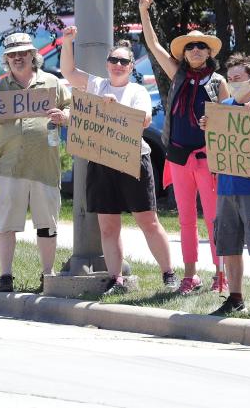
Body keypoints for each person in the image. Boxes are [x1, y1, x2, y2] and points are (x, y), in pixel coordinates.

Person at [59, 25, 178, 294]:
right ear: (107, 63)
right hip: (101, 162)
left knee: (148, 220)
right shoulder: (97, 85)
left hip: (133, 160)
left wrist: (116, 109)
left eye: (124, 61)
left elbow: (144, 119)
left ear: (131, 66)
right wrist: (68, 42)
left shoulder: (137, 91)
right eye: (114, 60)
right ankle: (116, 279)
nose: (118, 65)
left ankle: (168, 273)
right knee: (108, 226)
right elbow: (69, 72)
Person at [0, 32, 72, 292]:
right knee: (5, 222)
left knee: (47, 222)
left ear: (33, 56)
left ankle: (48, 275)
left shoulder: (52, 83)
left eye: (22, 53)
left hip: (44, 165)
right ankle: (5, 276)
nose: (18, 58)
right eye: (12, 54)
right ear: (6, 59)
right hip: (9, 165)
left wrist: (64, 116)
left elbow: (71, 109)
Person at [138, 0, 230, 295]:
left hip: (208, 158)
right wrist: (144, 12)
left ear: (208, 52)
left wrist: (213, 123)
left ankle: (221, 272)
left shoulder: (218, 82)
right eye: (190, 46)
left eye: (200, 46)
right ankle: (191, 274)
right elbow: (153, 45)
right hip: (178, 156)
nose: (195, 50)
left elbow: (230, 121)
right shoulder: (177, 74)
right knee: (187, 219)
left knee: (215, 218)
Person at [200, 53, 250, 318]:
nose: (233, 83)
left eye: (238, 78)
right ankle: (235, 297)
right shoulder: (223, 108)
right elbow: (216, 148)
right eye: (230, 79)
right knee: (228, 245)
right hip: (226, 188)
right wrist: (209, 127)